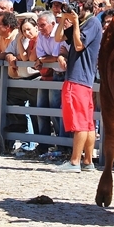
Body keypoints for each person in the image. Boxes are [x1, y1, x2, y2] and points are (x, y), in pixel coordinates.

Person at [54, 0, 102, 172]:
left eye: (74, 4)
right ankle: (88, 161)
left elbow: (79, 45)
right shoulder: (82, 22)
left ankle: (75, 161)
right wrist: (63, 20)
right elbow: (58, 38)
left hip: (78, 78)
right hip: (83, 79)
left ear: (82, 4)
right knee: (88, 122)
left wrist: (74, 24)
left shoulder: (92, 23)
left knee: (80, 122)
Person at [33, 11, 67, 153]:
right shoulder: (41, 35)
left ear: (53, 24)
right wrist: (45, 59)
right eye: (38, 25)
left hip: (61, 74)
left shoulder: (60, 33)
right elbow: (42, 55)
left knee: (55, 109)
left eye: (42, 25)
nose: (40, 28)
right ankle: (44, 143)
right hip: (47, 74)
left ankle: (62, 144)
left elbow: (56, 55)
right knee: (41, 109)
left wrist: (43, 60)